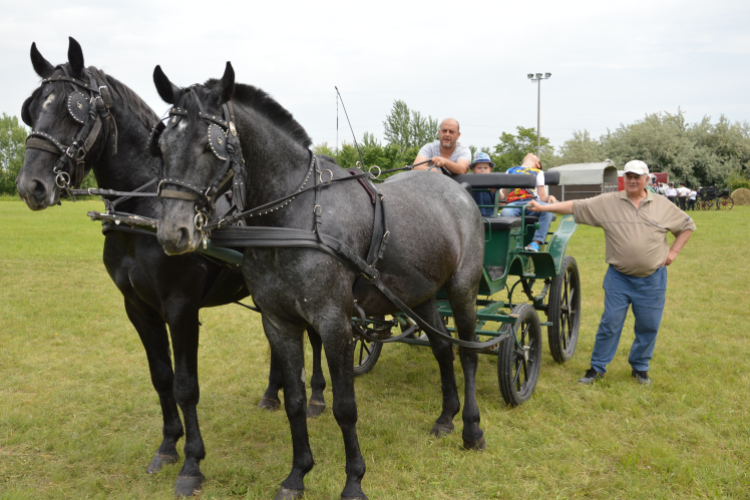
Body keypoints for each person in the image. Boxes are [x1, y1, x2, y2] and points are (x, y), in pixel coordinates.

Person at [527, 160, 695, 385]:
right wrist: (543, 208)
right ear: (623, 179)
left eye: (637, 177)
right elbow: (576, 206)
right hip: (619, 278)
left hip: (652, 279)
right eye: (628, 176)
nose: (632, 180)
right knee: (610, 323)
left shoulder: (663, 205)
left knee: (648, 325)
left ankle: (640, 367)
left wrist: (673, 252)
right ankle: (597, 368)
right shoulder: (609, 202)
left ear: (647, 179)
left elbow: (687, 225)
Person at [498, 153, 557, 252]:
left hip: (532, 202)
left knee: (548, 209)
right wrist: (496, 196)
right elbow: (504, 194)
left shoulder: (538, 172)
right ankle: (513, 243)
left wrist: (550, 197)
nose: (531, 153)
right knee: (505, 213)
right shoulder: (510, 170)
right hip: (514, 203)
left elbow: (542, 197)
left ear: (537, 164)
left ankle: (535, 242)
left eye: (534, 155)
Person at [469, 152, 496, 217]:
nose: (482, 170)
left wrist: (495, 191)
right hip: (472, 214)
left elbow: (501, 199)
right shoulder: (469, 181)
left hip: (490, 214)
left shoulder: (494, 181)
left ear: (490, 169)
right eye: (479, 168)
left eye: (485, 168)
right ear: (473, 169)